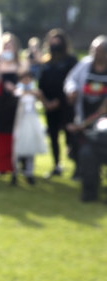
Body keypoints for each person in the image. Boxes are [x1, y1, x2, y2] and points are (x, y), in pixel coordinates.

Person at [65, 37, 107, 201]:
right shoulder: (84, 65)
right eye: (94, 51)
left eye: (100, 52)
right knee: (85, 151)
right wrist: (72, 90)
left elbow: (102, 111)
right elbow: (71, 80)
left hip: (101, 124)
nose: (96, 55)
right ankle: (88, 187)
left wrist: (81, 125)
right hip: (87, 117)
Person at [38, 29, 77, 178]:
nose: (54, 43)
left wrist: (59, 100)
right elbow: (40, 83)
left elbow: (71, 82)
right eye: (52, 40)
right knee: (53, 135)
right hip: (49, 105)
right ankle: (56, 165)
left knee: (70, 135)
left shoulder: (70, 60)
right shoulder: (45, 62)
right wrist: (45, 101)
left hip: (65, 105)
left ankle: (76, 165)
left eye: (57, 40)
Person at [10, 72, 47, 186]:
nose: (27, 81)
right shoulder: (18, 91)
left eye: (29, 79)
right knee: (16, 148)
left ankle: (29, 173)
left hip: (31, 122)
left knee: (31, 149)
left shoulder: (34, 91)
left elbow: (42, 100)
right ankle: (14, 173)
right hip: (19, 122)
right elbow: (18, 94)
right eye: (24, 79)